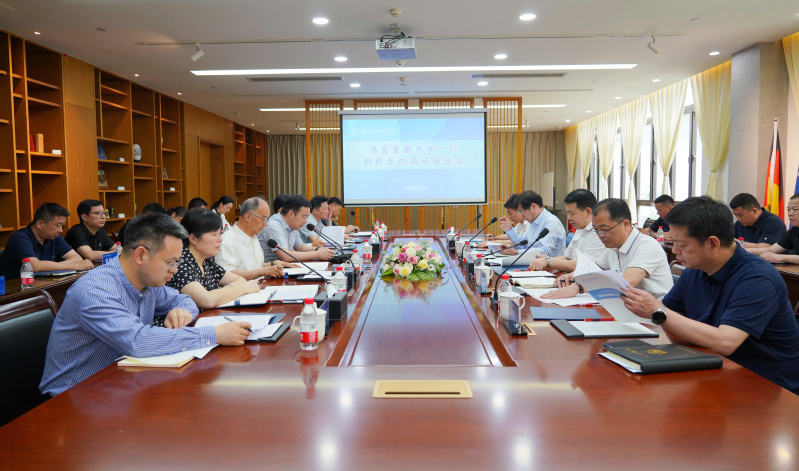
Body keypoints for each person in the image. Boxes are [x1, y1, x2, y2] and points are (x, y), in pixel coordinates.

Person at [39, 213, 253, 396]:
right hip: (74, 395)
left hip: (121, 381)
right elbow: (137, 341)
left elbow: (184, 299)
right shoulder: (96, 290)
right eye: (170, 262)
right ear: (141, 255)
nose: (175, 270)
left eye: (177, 262)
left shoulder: (148, 282)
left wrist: (180, 310)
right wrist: (213, 334)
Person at [621, 196, 799, 394]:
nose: (675, 251)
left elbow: (726, 342)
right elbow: (670, 317)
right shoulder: (695, 270)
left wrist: (657, 311)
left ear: (713, 243)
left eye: (682, 244)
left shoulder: (757, 278)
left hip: (766, 386)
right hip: (713, 368)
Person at [543, 198, 672, 300]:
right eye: (596, 230)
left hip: (655, 317)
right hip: (625, 307)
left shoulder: (646, 246)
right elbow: (593, 269)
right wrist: (570, 276)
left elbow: (626, 283)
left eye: (604, 230)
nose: (600, 236)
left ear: (625, 224)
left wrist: (579, 287)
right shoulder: (612, 247)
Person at [166, 208, 262, 309]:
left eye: (219, 234)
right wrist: (244, 288)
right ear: (193, 239)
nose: (220, 239)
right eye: (214, 234)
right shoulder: (180, 264)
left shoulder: (206, 262)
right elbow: (207, 300)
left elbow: (239, 279)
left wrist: (223, 292)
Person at [0, 203, 94, 278]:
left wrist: (51, 266)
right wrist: (76, 266)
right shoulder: (19, 238)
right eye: (58, 225)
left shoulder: (54, 236)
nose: (61, 230)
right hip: (14, 290)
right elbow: (35, 266)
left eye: (62, 226)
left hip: (40, 285)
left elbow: (77, 258)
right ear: (40, 224)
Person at [216, 197, 293, 280]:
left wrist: (273, 264)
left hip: (261, 285)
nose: (266, 224)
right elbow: (226, 275)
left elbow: (254, 266)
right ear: (248, 217)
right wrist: (262, 271)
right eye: (263, 219)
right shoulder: (227, 241)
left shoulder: (253, 237)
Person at [529, 189, 605, 271]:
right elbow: (567, 257)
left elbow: (585, 266)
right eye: (567, 213)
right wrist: (547, 260)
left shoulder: (599, 234)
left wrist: (549, 261)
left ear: (588, 211)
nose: (569, 218)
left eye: (572, 214)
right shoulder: (580, 229)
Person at [260, 194, 336, 263]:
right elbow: (285, 256)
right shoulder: (274, 225)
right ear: (291, 213)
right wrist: (317, 254)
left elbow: (300, 247)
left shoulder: (292, 224)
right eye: (304, 217)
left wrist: (319, 249)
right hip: (269, 271)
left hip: (285, 267)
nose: (305, 221)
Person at [498, 190, 566, 256]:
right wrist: (509, 229)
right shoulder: (534, 221)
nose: (522, 215)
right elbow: (523, 243)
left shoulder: (551, 222)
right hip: (533, 261)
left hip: (547, 263)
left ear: (533, 206)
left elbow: (544, 251)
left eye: (522, 212)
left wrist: (516, 252)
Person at [747, 193, 799, 264]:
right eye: (788, 210)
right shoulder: (794, 231)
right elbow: (771, 250)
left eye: (795, 209)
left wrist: (781, 257)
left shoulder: (773, 221)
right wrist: (745, 250)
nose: (790, 214)